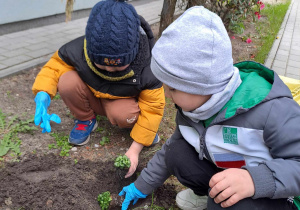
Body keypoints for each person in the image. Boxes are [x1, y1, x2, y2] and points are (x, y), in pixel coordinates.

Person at [118, 6, 300, 210]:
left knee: (223, 202)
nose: (167, 95)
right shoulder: (194, 108)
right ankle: (211, 195)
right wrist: (141, 186)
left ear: (204, 86)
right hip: (230, 170)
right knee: (177, 153)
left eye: (173, 89)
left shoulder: (271, 110)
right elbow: (170, 150)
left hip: (281, 196)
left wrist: (255, 180)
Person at [32, 0, 165, 178]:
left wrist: (135, 148)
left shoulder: (148, 67)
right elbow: (54, 67)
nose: (109, 69)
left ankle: (133, 126)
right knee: (67, 81)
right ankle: (86, 119)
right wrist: (43, 92)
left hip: (122, 102)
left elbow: (153, 109)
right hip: (93, 93)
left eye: (118, 66)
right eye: (101, 65)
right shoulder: (78, 49)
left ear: (133, 54)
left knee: (123, 114)